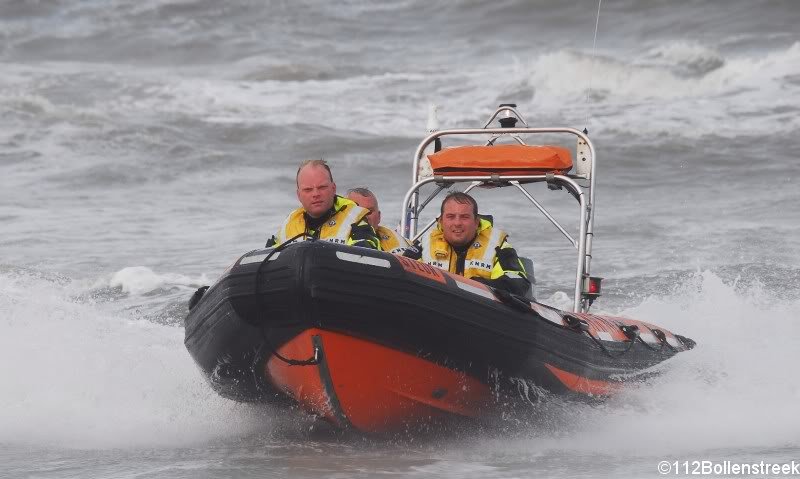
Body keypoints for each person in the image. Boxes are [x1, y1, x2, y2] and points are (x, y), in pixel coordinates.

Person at [415, 192, 530, 296]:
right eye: (451, 217)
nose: (457, 223)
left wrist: (474, 285)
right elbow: (400, 273)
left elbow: (518, 283)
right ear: (441, 221)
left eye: (464, 217)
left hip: (480, 312)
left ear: (476, 222)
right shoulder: (423, 244)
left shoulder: (498, 246)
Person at [266, 159, 380, 249]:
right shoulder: (289, 223)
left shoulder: (356, 219)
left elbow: (366, 254)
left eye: (322, 187)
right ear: (298, 195)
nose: (315, 194)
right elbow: (267, 258)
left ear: (333, 188)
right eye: (308, 190)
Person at [346, 187, 411, 255]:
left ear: (379, 217)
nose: (363, 216)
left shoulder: (402, 243)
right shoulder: (335, 238)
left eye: (369, 211)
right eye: (358, 211)